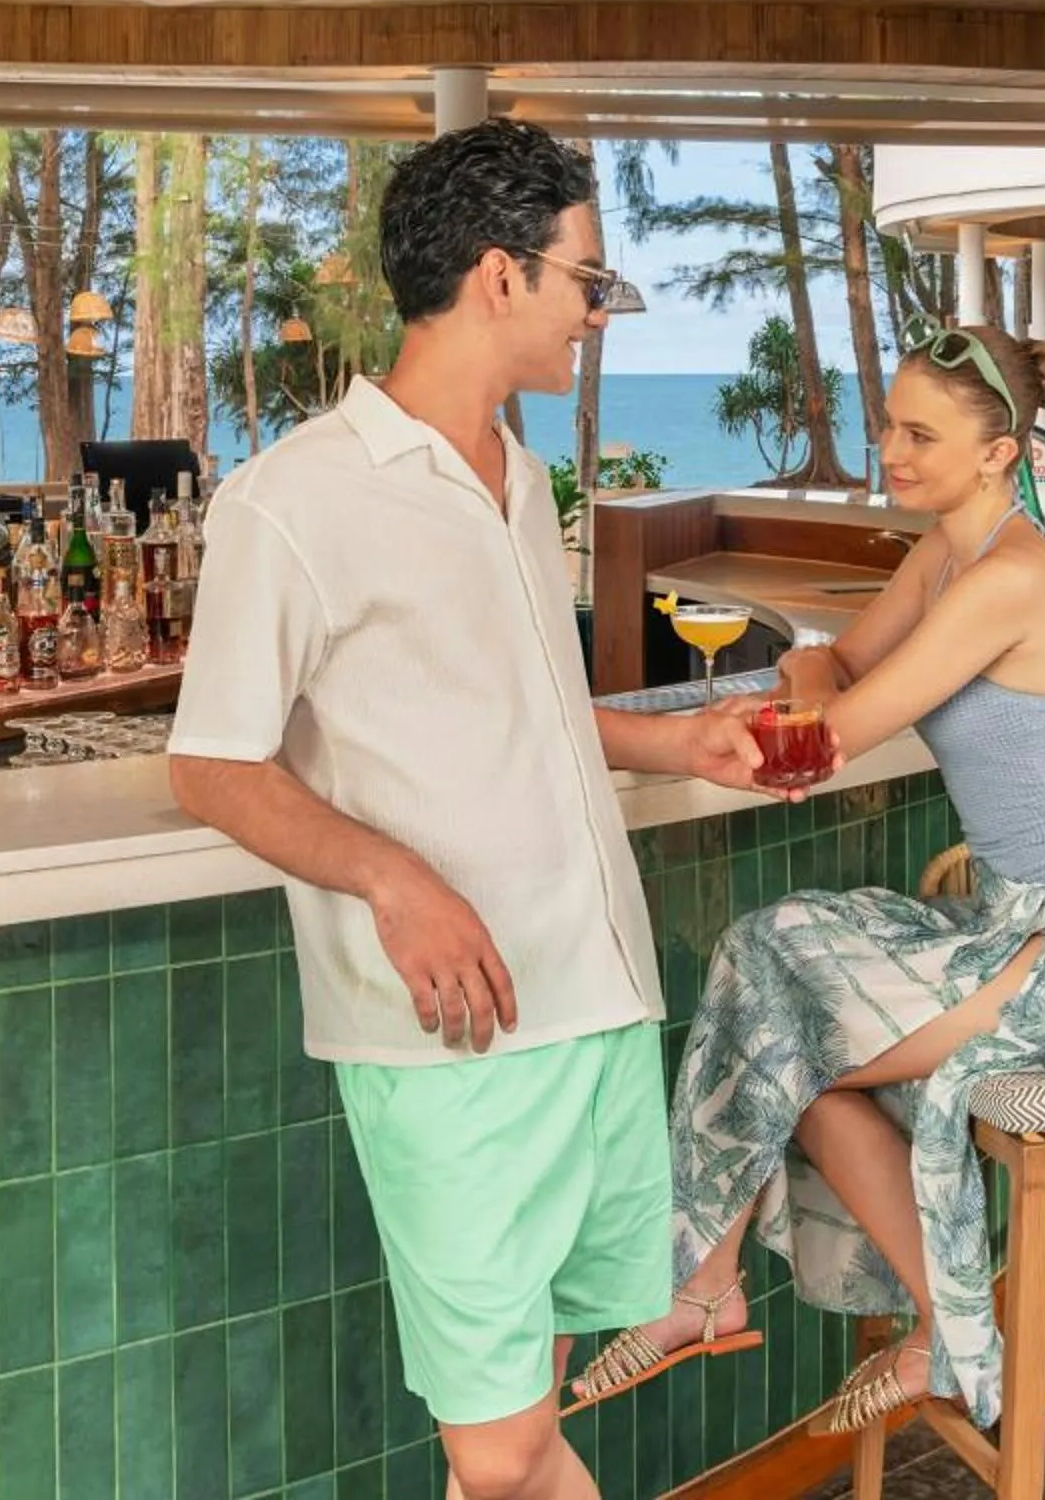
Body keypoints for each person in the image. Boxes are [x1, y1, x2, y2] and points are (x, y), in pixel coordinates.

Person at [166, 117, 810, 1500]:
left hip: (591, 994)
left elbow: (513, 714)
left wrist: (675, 742)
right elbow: (213, 764)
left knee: (520, 1426)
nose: (598, 314)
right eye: (590, 281)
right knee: (502, 1445)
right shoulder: (289, 503)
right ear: (501, 277)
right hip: (452, 1040)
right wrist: (396, 884)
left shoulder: (520, 476)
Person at [567, 316, 1045, 1437]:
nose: (887, 451)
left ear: (1000, 454)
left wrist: (793, 698)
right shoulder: (943, 551)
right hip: (1013, 921)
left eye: (918, 433)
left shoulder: (1008, 577)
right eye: (884, 424)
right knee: (780, 995)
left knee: (776, 980)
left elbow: (832, 727)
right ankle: (746, 1292)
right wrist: (809, 671)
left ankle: (760, 1295)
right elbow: (832, 656)